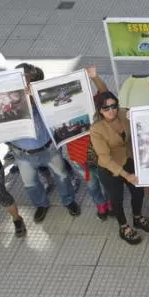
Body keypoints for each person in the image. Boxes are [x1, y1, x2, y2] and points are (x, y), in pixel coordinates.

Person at [8, 63, 80, 223]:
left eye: (24, 83)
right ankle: (41, 204)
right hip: (22, 153)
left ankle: (68, 201)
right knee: (30, 184)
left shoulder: (46, 99)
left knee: (62, 176)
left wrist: (36, 98)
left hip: (49, 149)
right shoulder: (8, 104)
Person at [90, 91, 149, 244]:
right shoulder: (96, 129)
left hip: (129, 159)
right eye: (106, 108)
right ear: (99, 110)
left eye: (113, 106)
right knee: (116, 199)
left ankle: (137, 217)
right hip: (109, 169)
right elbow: (105, 158)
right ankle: (124, 226)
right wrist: (126, 175)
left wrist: (136, 117)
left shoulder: (123, 113)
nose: (111, 110)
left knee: (138, 191)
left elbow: (144, 120)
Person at [61, 66, 111, 220]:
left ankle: (109, 203)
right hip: (78, 158)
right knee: (92, 184)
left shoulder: (92, 102)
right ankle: (100, 205)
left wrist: (94, 77)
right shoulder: (59, 110)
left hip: (98, 155)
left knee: (105, 183)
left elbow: (104, 92)